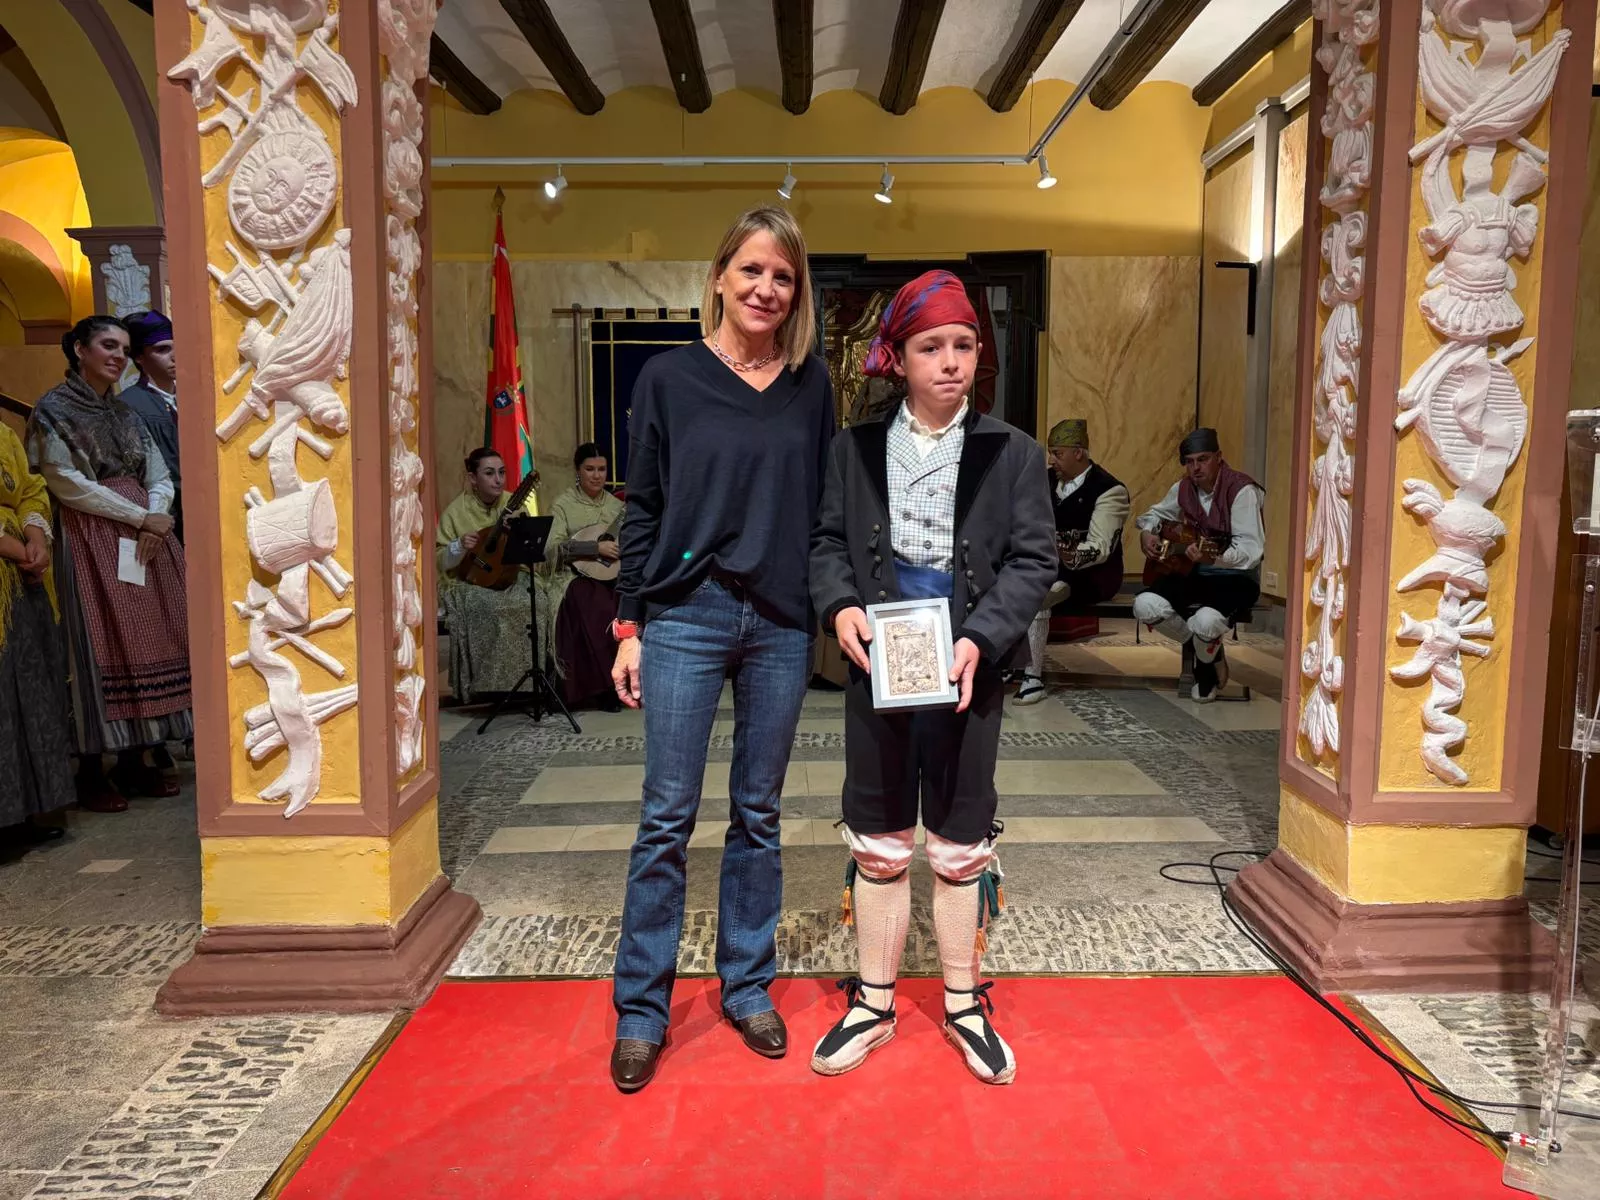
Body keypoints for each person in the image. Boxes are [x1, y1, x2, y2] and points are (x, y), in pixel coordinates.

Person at [808, 270, 1055, 1085]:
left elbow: (1033, 560)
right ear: (898, 357)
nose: (951, 362)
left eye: (965, 345)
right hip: (877, 663)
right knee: (880, 839)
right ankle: (874, 1003)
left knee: (957, 841)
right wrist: (841, 604)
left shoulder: (1013, 452)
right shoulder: (853, 448)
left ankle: (962, 1003)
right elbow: (827, 543)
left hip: (965, 666)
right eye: (931, 347)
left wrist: (982, 636)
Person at [609, 205, 835, 1093]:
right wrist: (629, 624)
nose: (766, 288)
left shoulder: (811, 386)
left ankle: (746, 986)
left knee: (759, 814)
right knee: (666, 817)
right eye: (752, 270)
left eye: (783, 276)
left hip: (778, 622)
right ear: (719, 276)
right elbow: (644, 507)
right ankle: (642, 1010)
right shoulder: (669, 377)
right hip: (685, 617)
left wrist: (831, 604)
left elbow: (824, 509)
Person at [25, 316, 191, 812]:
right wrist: (141, 515)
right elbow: (66, 482)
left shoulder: (123, 411)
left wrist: (156, 516)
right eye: (107, 345)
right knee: (97, 643)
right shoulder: (54, 408)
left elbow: (157, 472)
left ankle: (136, 758)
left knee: (147, 641)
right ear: (80, 349)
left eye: (123, 347)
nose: (117, 355)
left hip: (144, 538)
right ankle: (92, 768)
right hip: (90, 535)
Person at [1132, 428, 1264, 702]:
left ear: (1218, 457)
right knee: (1144, 604)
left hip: (1236, 577)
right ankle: (1209, 649)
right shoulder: (1183, 488)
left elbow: (1251, 551)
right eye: (1190, 462)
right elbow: (1152, 514)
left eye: (1203, 459)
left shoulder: (1242, 490)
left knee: (1206, 620)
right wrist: (1147, 533)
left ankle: (1205, 663)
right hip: (1193, 574)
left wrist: (1215, 558)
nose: (1196, 468)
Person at [1015, 418, 1130, 704]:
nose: (1051, 460)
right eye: (1051, 453)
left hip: (1092, 576)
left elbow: (1100, 548)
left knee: (1039, 595)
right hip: (1047, 566)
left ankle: (1032, 678)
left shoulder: (1109, 490)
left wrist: (1065, 555)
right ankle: (1011, 663)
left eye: (1057, 453)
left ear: (1078, 452)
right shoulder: (1044, 480)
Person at [0, 421, 75, 842]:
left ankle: (28, 811)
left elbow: (30, 488)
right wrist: (14, 548)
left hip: (23, 580)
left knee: (30, 694)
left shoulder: (4, 433)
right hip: (10, 563)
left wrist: (36, 538)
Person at [435, 447, 543, 703]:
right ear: (473, 478)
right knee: (484, 605)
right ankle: (488, 688)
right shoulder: (456, 511)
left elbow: (530, 552)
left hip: (510, 576)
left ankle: (529, 685)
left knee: (535, 601)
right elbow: (438, 560)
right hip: (470, 581)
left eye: (502, 473)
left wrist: (518, 532)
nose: (498, 480)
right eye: (489, 473)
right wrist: (459, 546)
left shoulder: (513, 504)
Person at [545, 442, 624, 710]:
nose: (597, 475)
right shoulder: (563, 505)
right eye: (590, 469)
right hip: (572, 576)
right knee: (596, 604)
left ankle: (624, 681)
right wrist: (593, 548)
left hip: (613, 574)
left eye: (602, 469)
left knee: (625, 599)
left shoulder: (616, 506)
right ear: (577, 471)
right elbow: (552, 548)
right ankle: (603, 688)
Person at [119, 311, 181, 541]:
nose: (175, 356)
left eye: (177, 347)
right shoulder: (129, 405)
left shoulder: (193, 399)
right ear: (139, 357)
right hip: (161, 515)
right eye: (162, 349)